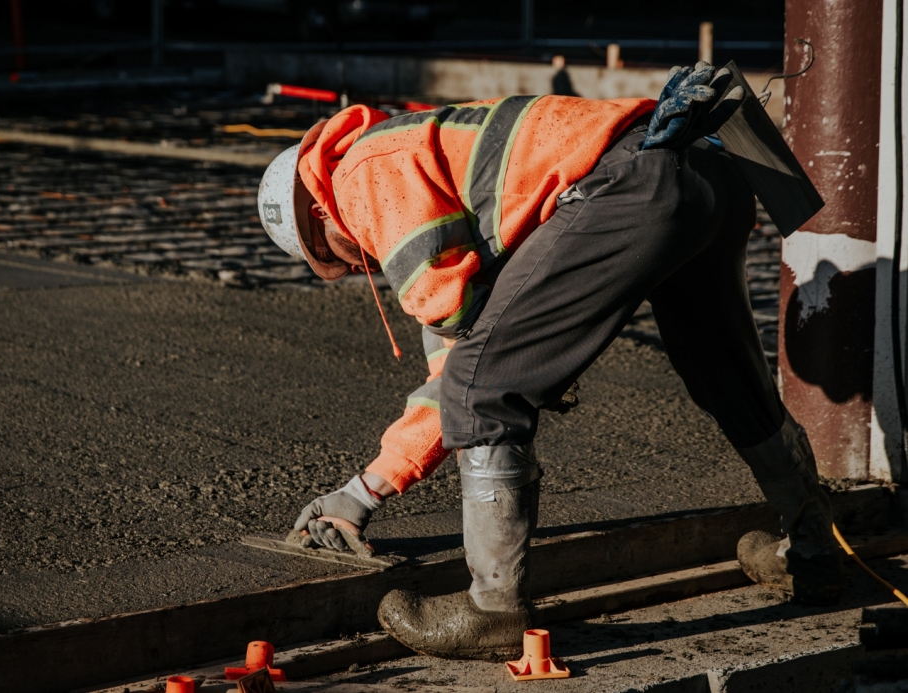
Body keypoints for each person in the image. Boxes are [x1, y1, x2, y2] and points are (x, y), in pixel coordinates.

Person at [256, 63, 843, 661]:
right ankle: (814, 550)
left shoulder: (364, 178)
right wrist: (367, 491)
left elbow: (465, 366)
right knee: (728, 377)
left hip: (632, 181)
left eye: (332, 257)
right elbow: (467, 341)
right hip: (705, 169)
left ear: (318, 215)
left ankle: (493, 610)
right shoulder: (420, 149)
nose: (357, 267)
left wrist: (363, 492)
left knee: (484, 389)